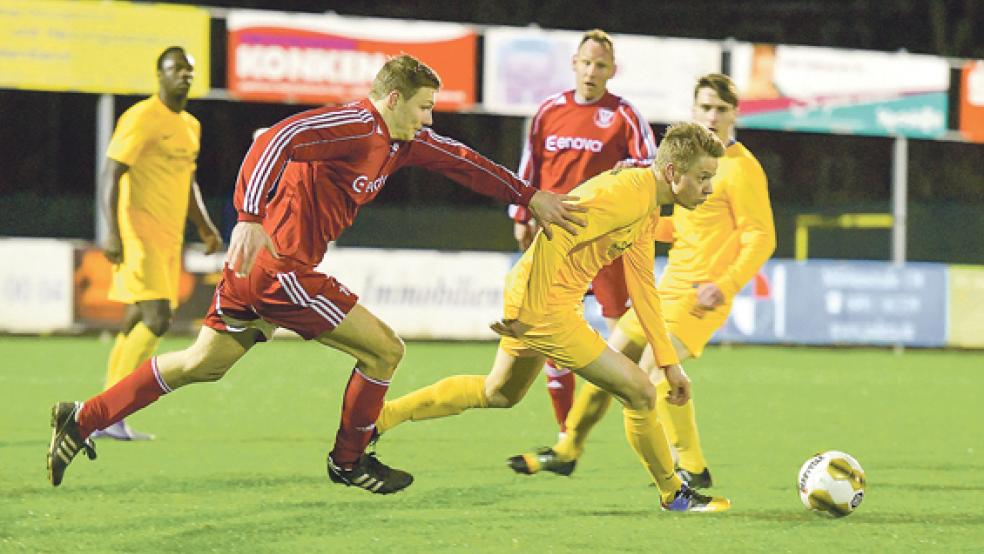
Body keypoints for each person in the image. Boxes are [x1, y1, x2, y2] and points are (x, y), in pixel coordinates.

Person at [46, 54, 586, 493]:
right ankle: (349, 461)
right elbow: (273, 139)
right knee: (384, 350)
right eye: (423, 107)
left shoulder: (400, 142)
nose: (428, 119)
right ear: (392, 98)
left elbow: (462, 159)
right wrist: (249, 216)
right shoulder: (355, 123)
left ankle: (84, 416)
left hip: (262, 274)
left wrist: (529, 195)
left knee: (202, 364)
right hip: (280, 270)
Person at [374, 122, 731, 512]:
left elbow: (643, 287)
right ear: (673, 173)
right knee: (640, 391)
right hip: (544, 303)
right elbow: (555, 234)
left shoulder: (646, 202)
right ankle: (674, 494)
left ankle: (378, 418)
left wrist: (669, 363)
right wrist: (529, 311)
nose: (709, 188)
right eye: (703, 178)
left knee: (500, 393)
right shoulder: (626, 195)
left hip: (538, 295)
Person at [509, 73, 776, 489]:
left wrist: (723, 285)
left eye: (721, 109)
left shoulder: (742, 170)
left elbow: (761, 236)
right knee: (608, 364)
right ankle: (568, 450)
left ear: (734, 114)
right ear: (693, 110)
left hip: (699, 295)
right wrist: (630, 210)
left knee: (654, 372)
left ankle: (693, 467)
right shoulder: (696, 168)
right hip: (668, 287)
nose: (712, 116)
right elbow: (679, 230)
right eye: (705, 107)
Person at [512, 29, 656, 437]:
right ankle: (566, 431)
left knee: (627, 336)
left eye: (601, 65)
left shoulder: (625, 114)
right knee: (553, 330)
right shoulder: (548, 112)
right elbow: (531, 166)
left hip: (606, 244)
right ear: (574, 64)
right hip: (557, 239)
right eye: (586, 62)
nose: (592, 71)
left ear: (613, 71)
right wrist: (521, 214)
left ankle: (644, 413)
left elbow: (648, 165)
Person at [94, 46, 223, 441]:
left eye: (189, 70)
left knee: (138, 317)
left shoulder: (190, 125)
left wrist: (204, 227)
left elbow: (188, 183)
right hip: (138, 233)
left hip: (169, 238)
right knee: (158, 318)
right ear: (159, 75)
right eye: (175, 69)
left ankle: (105, 411)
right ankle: (109, 412)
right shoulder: (141, 118)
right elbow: (111, 174)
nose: (184, 75)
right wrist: (111, 231)